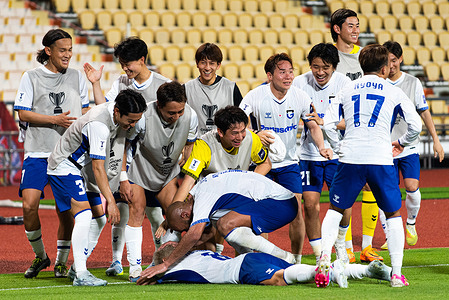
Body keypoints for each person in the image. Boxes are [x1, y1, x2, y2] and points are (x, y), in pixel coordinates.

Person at [316, 44, 422, 288]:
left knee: (335, 208)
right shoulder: (393, 90)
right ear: (384, 69)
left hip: (350, 156)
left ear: (363, 67)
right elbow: (415, 125)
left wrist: (339, 144)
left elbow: (329, 122)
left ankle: (324, 260)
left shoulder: (347, 87)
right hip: (380, 157)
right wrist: (401, 143)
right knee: (393, 213)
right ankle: (396, 274)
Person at [84, 36, 171, 277]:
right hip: (126, 159)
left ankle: (159, 261)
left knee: (156, 215)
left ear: (142, 60)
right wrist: (96, 84)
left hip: (155, 163)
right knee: (125, 209)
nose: (124, 69)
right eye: (122, 64)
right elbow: (107, 111)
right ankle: (118, 261)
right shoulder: (122, 82)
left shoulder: (164, 86)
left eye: (128, 63)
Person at [239, 53, 333, 263]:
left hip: (290, 163)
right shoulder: (255, 96)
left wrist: (321, 147)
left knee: (295, 211)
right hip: (262, 162)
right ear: (270, 75)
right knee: (260, 210)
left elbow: (312, 125)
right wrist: (254, 134)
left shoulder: (300, 96)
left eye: (291, 71)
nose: (288, 76)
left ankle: (297, 259)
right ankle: (261, 258)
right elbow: (239, 121)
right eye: (282, 72)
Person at [47, 89, 147, 286]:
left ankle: (76, 268)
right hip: (63, 166)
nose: (132, 125)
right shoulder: (99, 125)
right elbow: (98, 167)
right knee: (84, 216)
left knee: (99, 220)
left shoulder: (113, 114)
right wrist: (111, 201)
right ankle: (82, 274)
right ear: (117, 111)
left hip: (79, 169)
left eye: (137, 120)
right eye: (131, 120)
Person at [14, 29, 90, 279]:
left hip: (66, 155)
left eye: (70, 50)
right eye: (63, 50)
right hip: (37, 152)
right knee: (29, 206)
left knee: (66, 212)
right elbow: (23, 113)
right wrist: (53, 119)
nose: (68, 55)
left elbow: (86, 112)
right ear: (48, 51)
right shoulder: (31, 76)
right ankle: (40, 256)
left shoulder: (78, 77)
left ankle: (61, 261)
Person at [141, 170, 302, 280]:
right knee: (223, 225)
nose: (187, 230)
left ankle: (286, 257)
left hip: (281, 204)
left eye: (185, 227)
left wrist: (166, 264)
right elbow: (206, 233)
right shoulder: (198, 195)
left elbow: (195, 234)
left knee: (225, 224)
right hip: (279, 201)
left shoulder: (203, 196)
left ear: (185, 214)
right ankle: (255, 260)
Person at [119, 81, 198, 282]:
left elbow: (189, 145)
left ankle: (169, 263)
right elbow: (124, 144)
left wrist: (186, 166)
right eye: (171, 113)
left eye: (180, 111)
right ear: (159, 106)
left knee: (178, 216)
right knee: (136, 211)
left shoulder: (190, 116)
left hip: (167, 174)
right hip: (140, 171)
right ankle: (135, 267)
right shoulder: (144, 117)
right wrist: (123, 178)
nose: (177, 116)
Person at [171, 105, 271, 253]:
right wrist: (172, 215)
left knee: (257, 227)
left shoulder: (251, 139)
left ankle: (251, 267)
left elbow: (265, 163)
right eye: (234, 133)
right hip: (211, 198)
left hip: (238, 193)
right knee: (205, 244)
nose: (240, 137)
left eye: (243, 131)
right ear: (220, 132)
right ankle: (215, 256)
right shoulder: (204, 146)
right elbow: (188, 182)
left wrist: (249, 182)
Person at [378, 41, 445, 248]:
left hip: (408, 145)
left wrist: (436, 140)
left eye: (393, 61)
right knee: (386, 192)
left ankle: (411, 223)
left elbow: (424, 112)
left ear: (400, 60)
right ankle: (389, 236)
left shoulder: (412, 82)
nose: (390, 66)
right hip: (384, 147)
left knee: (412, 186)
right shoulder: (377, 83)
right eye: (386, 61)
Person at [292, 43, 351, 263]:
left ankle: (341, 243)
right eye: (315, 66)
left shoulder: (345, 84)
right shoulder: (299, 83)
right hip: (308, 154)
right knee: (310, 205)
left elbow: (352, 121)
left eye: (325, 67)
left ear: (334, 67)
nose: (320, 72)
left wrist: (325, 122)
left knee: (342, 203)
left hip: (338, 154)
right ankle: (319, 256)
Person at [331, 8, 381, 263]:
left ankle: (367, 246)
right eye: (350, 25)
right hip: (338, 133)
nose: (356, 30)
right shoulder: (329, 58)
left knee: (370, 184)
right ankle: (346, 247)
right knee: (346, 190)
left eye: (358, 25)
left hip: (361, 131)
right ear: (337, 29)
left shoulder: (364, 58)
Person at [136, 241, 392, 287]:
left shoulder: (179, 266)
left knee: (282, 278)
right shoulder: (200, 254)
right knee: (286, 273)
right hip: (249, 259)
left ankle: (326, 271)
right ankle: (366, 270)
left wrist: (153, 271)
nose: (171, 247)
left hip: (243, 268)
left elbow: (151, 276)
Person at [185, 43, 243, 136]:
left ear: (218, 65)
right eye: (203, 62)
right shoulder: (186, 88)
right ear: (197, 63)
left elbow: (243, 118)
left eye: (212, 63)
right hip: (197, 145)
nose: (207, 68)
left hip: (225, 145)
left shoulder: (231, 87)